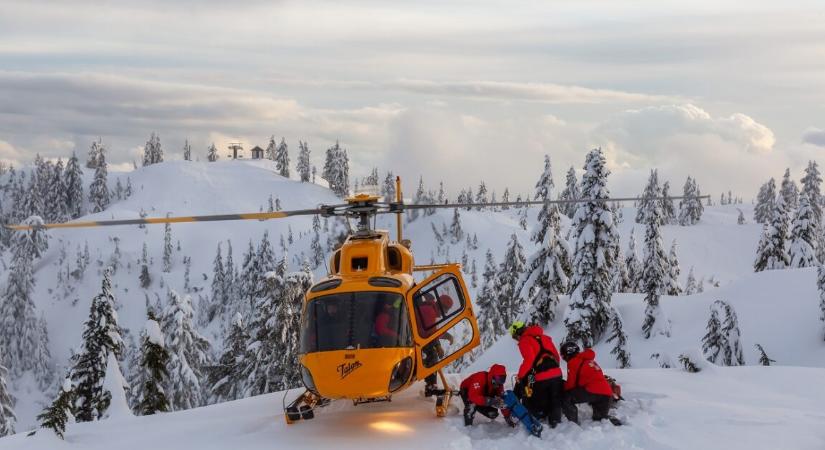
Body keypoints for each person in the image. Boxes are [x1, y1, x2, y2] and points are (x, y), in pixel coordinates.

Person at [509, 321, 564, 427]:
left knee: (531, 395)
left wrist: (520, 376)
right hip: (557, 374)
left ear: (517, 333)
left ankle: (535, 416)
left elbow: (529, 360)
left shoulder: (525, 341)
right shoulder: (546, 338)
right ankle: (555, 422)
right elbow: (556, 357)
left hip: (541, 377)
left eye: (515, 336)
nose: (516, 339)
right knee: (555, 398)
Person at [559, 341, 622, 426]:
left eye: (563, 356)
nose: (564, 359)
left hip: (593, 392)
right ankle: (617, 425)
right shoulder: (589, 360)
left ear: (567, 354)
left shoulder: (573, 362)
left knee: (566, 398)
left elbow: (571, 385)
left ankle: (573, 424)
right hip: (606, 394)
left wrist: (562, 387)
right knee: (599, 419)